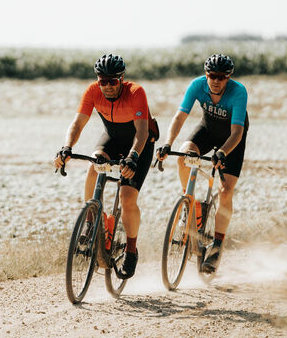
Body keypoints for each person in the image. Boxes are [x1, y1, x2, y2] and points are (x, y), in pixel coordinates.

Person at [54, 54, 158, 279]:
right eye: (103, 81)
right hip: (112, 138)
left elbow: (142, 132)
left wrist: (132, 157)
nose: (108, 86)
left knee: (127, 198)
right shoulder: (93, 91)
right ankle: (91, 220)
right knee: (94, 164)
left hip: (139, 144)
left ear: (121, 79)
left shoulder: (136, 92)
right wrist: (67, 147)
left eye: (113, 81)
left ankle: (131, 250)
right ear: (98, 80)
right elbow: (77, 123)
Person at [156, 53, 248, 274]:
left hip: (232, 138)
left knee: (226, 190)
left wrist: (223, 152)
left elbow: (237, 132)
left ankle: (217, 246)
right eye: (212, 75)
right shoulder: (197, 85)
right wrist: (168, 143)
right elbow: (180, 117)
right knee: (183, 156)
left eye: (221, 77)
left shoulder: (238, 91)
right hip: (207, 129)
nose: (215, 80)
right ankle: (188, 203)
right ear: (206, 74)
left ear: (228, 77)